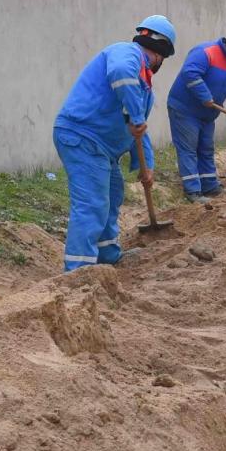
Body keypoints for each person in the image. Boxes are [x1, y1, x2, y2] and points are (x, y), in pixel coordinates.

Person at [53, 16, 177, 272]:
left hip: (103, 151)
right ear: (160, 52)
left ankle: (107, 255)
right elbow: (122, 79)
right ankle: (78, 271)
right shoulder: (127, 53)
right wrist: (136, 114)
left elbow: (139, 131)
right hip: (83, 137)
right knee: (92, 204)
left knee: (112, 197)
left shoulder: (143, 88)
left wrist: (147, 166)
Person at [167, 29, 226, 203]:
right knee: (189, 148)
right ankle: (193, 191)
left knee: (206, 148)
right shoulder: (206, 52)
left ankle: (209, 185)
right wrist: (205, 96)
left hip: (208, 114)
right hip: (185, 109)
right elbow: (190, 72)